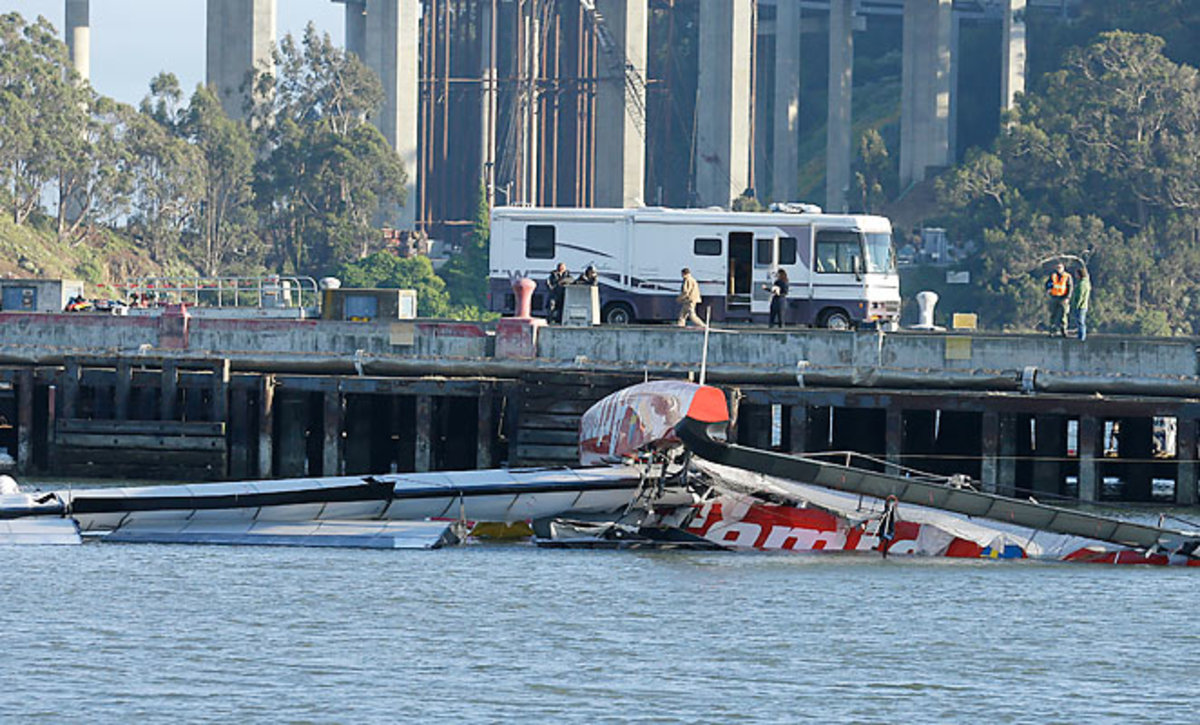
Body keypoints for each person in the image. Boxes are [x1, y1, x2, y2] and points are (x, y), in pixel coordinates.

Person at [1045, 261, 1073, 337]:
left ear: (1063, 268)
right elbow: (1048, 284)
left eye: (1060, 267)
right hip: (1054, 297)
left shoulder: (1067, 276)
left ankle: (1063, 330)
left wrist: (1068, 297)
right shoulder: (1053, 276)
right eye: (1057, 268)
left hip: (1063, 298)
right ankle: (1052, 330)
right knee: (1053, 314)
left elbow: (1070, 287)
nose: (1058, 269)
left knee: (1063, 315)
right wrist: (1049, 289)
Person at [1073, 266, 1091, 341]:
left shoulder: (1082, 284)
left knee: (1080, 322)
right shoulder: (1086, 282)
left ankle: (1081, 337)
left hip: (1081, 306)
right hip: (1083, 305)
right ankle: (1081, 336)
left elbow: (1080, 296)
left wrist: (1076, 305)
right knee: (1080, 322)